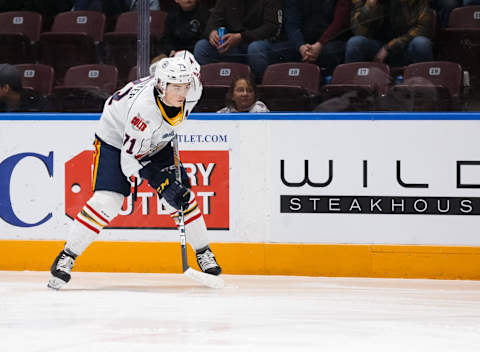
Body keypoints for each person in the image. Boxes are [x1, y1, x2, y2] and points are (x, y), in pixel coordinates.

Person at [47, 51, 222, 290]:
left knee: (181, 198)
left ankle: (203, 251)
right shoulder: (143, 111)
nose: (182, 94)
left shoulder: (194, 88)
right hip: (116, 138)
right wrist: (159, 180)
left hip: (159, 138)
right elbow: (130, 162)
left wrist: (179, 57)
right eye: (175, 88)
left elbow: (188, 59)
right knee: (107, 201)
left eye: (185, 86)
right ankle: (67, 256)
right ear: (161, 86)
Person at [193, 0, 283, 81]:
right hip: (232, 43)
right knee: (202, 47)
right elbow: (213, 20)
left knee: (255, 49)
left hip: (262, 42)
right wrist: (212, 32)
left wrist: (241, 37)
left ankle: (259, 88)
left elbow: (271, 28)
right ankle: (206, 89)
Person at [345, 0, 434, 66]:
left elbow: (423, 28)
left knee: (421, 43)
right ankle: (355, 88)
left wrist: (388, 48)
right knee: (355, 43)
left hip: (405, 47)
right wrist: (371, 5)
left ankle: (426, 87)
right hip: (376, 48)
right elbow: (358, 31)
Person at [279, 0, 351, 76]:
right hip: (303, 44)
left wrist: (320, 44)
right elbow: (292, 24)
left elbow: (339, 21)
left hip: (331, 41)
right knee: (267, 49)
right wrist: (301, 47)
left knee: (330, 51)